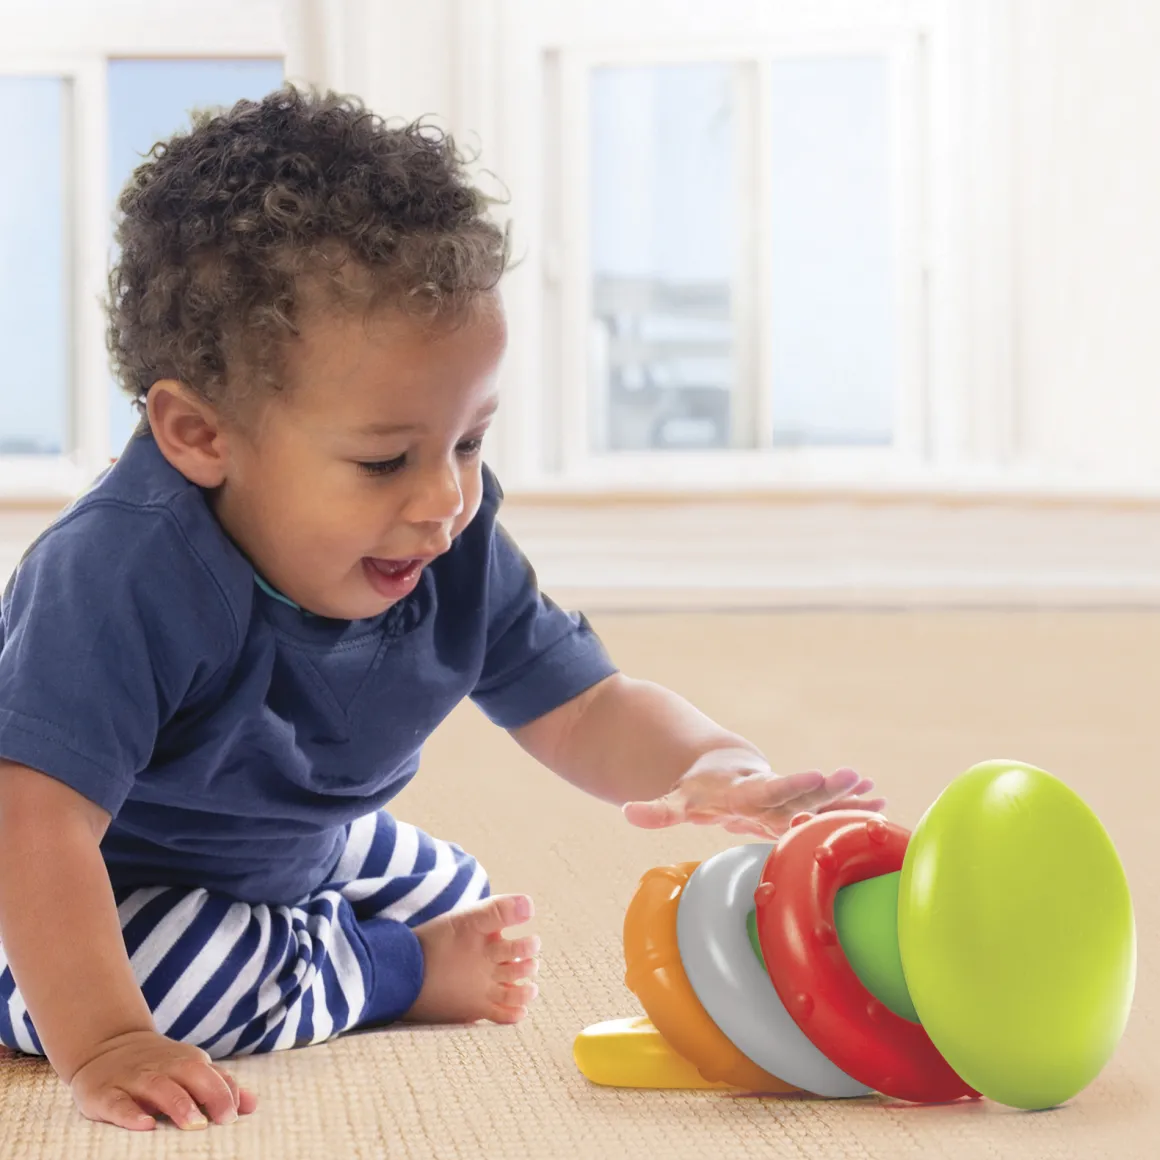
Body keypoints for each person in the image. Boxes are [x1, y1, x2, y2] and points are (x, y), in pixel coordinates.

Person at [0, 88, 883, 1133]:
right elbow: (35, 820)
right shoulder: (115, 574)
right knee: (176, 991)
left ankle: (319, 931)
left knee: (460, 886)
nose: (442, 499)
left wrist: (712, 763)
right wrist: (108, 1041)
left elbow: (584, 709)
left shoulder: (447, 543)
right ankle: (382, 969)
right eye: (384, 460)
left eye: (468, 441)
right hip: (72, 882)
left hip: (297, 846)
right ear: (200, 434)